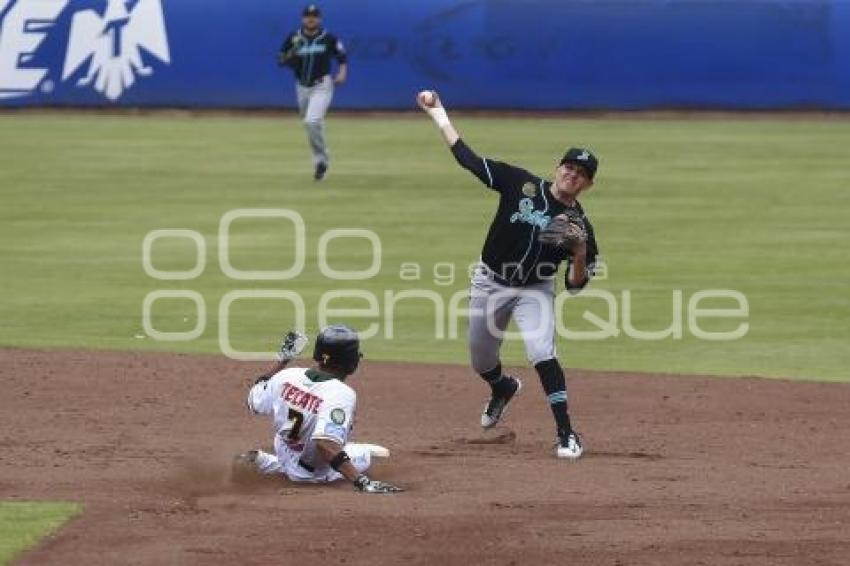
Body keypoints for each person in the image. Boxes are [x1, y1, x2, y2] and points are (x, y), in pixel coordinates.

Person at [417, 90, 601, 460]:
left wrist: (579, 253)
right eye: (569, 167)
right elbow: (468, 160)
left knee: (541, 351)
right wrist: (439, 113)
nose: (572, 175)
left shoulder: (580, 227)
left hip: (534, 289)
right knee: (481, 359)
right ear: (557, 167)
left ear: (587, 184)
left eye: (581, 174)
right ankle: (502, 387)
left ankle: (567, 433)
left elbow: (575, 286)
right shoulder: (520, 184)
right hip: (490, 281)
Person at [234, 327, 402, 493]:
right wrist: (362, 482)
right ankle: (272, 464)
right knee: (364, 456)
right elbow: (325, 445)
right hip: (313, 473)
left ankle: (265, 462)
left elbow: (253, 401)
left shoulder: (287, 375)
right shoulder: (341, 393)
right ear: (351, 362)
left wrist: (282, 361)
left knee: (309, 443)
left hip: (285, 450)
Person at [278, 4, 348, 180]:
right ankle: (320, 161)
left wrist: (342, 72)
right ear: (303, 18)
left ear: (319, 19)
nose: (311, 19)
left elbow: (341, 56)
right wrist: (289, 56)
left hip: (322, 85)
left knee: (312, 121)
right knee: (311, 124)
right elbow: (280, 60)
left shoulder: (328, 38)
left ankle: (321, 162)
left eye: (314, 16)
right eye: (308, 16)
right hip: (301, 87)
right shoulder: (294, 38)